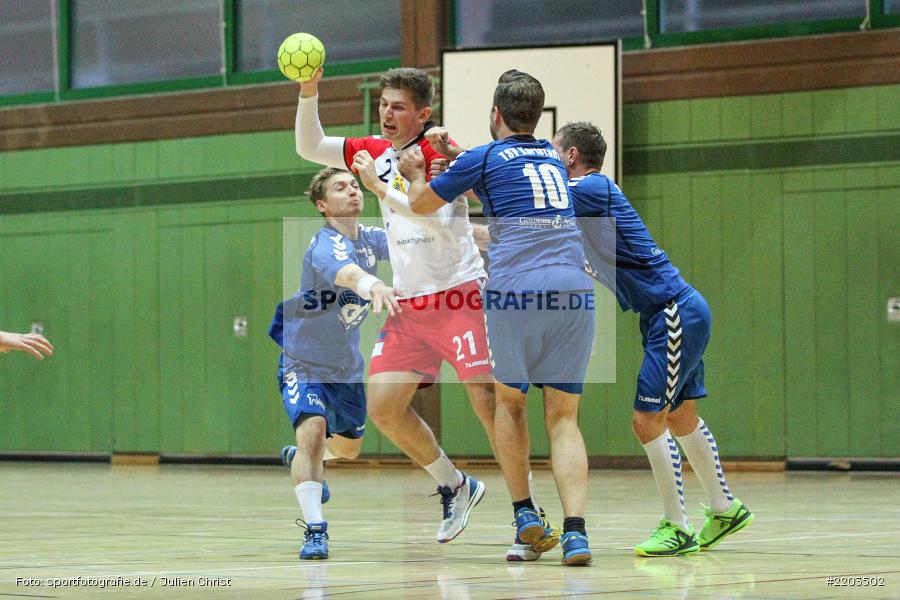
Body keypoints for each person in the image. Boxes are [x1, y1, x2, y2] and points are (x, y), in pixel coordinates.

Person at [401, 70, 595, 566]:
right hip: (573, 286)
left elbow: (424, 204)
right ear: (537, 115)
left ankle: (526, 514)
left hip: (517, 289)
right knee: (565, 418)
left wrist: (418, 171)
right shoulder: (553, 157)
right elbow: (500, 176)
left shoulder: (484, 157)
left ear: (496, 115)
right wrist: (456, 154)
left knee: (509, 405)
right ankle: (576, 534)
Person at [294, 65, 494, 543]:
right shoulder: (374, 151)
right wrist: (308, 90)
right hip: (411, 305)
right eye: (383, 103)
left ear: (422, 113)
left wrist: (382, 189)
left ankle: (528, 513)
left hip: (458, 293)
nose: (387, 112)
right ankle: (455, 484)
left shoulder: (436, 153)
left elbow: (438, 219)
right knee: (383, 408)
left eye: (398, 106)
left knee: (488, 405)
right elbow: (308, 146)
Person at [551, 121, 754, 556]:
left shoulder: (589, 187)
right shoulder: (583, 209)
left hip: (672, 312)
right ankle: (724, 508)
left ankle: (677, 527)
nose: (548, 160)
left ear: (570, 156)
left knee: (646, 421)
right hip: (670, 312)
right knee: (680, 417)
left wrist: (480, 172)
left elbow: (533, 201)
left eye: (552, 152)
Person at [269, 167, 399, 560]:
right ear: (322, 205)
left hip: (345, 368)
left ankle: (304, 460)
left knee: (349, 449)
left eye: (355, 185)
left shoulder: (372, 239)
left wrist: (482, 239)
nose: (352, 191)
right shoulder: (324, 244)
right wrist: (374, 285)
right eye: (340, 188)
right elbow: (347, 273)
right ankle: (315, 531)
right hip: (302, 360)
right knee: (313, 430)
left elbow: (420, 245)